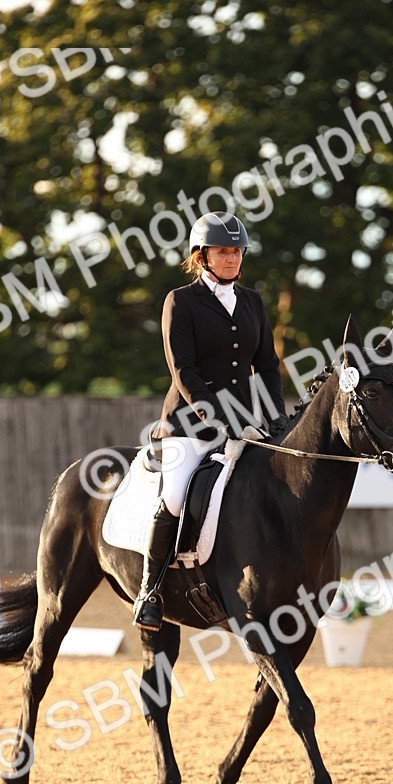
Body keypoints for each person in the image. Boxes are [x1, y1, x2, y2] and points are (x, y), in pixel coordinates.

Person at [133, 211, 287, 631]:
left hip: (243, 424)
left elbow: (268, 366)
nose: (232, 259)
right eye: (223, 251)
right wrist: (213, 415)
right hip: (189, 424)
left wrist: (275, 418)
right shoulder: (180, 301)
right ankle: (151, 588)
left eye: (237, 251)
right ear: (201, 256)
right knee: (177, 497)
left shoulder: (253, 301)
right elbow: (183, 369)